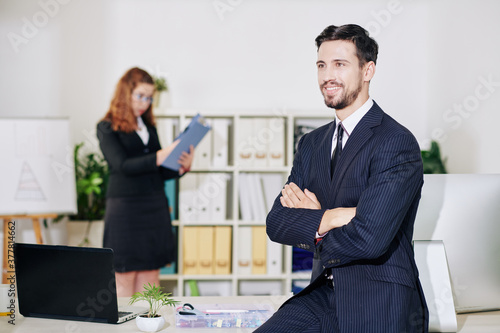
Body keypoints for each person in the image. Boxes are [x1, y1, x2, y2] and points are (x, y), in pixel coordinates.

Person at [256, 24, 428, 332]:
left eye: (340, 64)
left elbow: (370, 238)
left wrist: (314, 224)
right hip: (323, 293)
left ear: (367, 70)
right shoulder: (311, 143)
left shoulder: (396, 142)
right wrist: (334, 216)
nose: (327, 76)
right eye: (321, 65)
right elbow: (277, 222)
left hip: (377, 298)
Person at [97, 67, 194, 297]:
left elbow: (156, 171)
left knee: (151, 277)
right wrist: (161, 156)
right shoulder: (106, 127)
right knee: (124, 276)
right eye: (140, 96)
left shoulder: (148, 126)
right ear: (125, 93)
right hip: (125, 209)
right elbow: (122, 166)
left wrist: (182, 167)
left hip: (154, 205)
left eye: (149, 98)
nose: (145, 102)